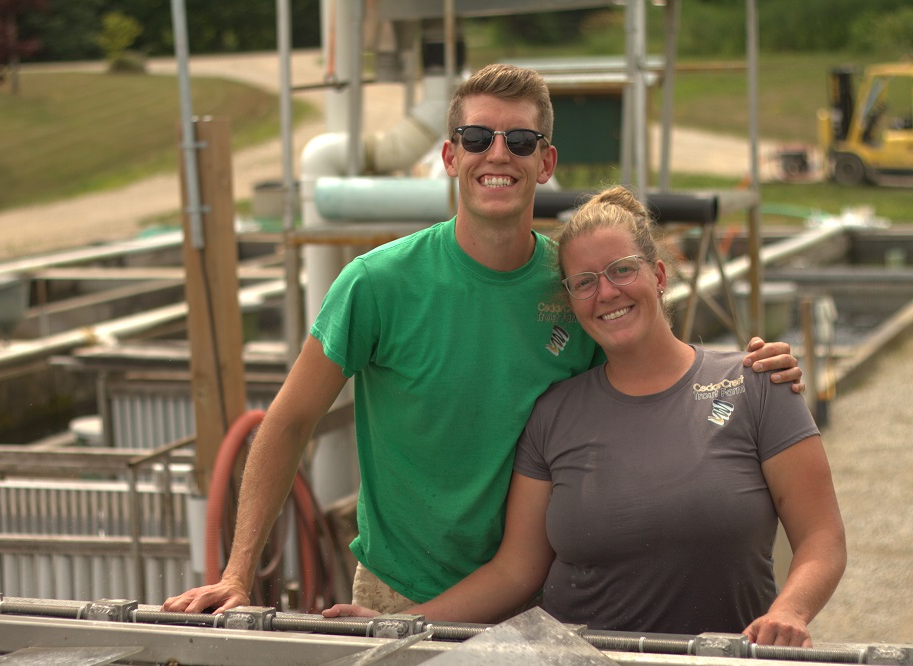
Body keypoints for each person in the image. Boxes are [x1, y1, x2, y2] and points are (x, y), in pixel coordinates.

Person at [163, 64, 803, 616]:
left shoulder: (576, 288)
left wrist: (752, 374)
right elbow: (289, 420)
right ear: (450, 156)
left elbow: (657, 378)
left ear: (546, 162)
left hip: (543, 594)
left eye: (520, 140)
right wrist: (238, 574)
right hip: (399, 592)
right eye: (477, 137)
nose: (498, 154)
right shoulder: (377, 284)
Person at [324, 185, 846, 647]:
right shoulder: (554, 413)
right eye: (585, 282)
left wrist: (790, 612)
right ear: (571, 301)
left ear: (659, 275)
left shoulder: (756, 384)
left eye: (622, 270)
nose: (607, 293)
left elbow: (822, 539)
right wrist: (405, 623)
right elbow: (515, 570)